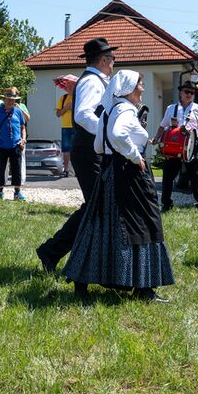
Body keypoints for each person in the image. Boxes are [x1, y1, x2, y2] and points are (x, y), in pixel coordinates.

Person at [63, 70, 175, 301]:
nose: (142, 89)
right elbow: (117, 134)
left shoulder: (108, 110)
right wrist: (135, 156)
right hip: (128, 174)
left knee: (100, 227)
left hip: (110, 172)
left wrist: (115, 155)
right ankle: (144, 288)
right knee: (143, 224)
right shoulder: (125, 109)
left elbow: (98, 145)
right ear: (129, 88)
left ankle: (82, 281)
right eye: (140, 84)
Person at [36, 38, 116, 273]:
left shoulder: (95, 80)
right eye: (112, 59)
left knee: (96, 205)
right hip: (89, 150)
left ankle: (54, 251)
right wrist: (107, 131)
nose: (114, 63)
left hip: (92, 148)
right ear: (104, 60)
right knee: (97, 205)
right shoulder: (92, 82)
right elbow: (82, 115)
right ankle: (54, 252)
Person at [155, 82, 198, 212]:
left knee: (196, 176)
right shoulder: (171, 108)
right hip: (174, 146)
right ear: (180, 92)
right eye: (187, 92)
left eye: (192, 93)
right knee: (168, 176)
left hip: (192, 146)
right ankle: (166, 204)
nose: (189, 94)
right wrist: (156, 138)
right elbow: (163, 126)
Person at [0, 87, 27, 200]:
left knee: (17, 169)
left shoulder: (18, 112)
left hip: (16, 145)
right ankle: (0, 192)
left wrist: (23, 139)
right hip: (2, 145)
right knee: (1, 169)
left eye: (13, 100)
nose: (11, 102)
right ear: (4, 100)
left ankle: (17, 192)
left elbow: (23, 127)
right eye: (8, 99)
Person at [54, 74, 78, 177]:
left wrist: (74, 108)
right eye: (68, 85)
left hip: (77, 127)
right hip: (65, 127)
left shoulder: (79, 97)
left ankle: (77, 170)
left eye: (72, 85)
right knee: (66, 149)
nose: (69, 87)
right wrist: (67, 107)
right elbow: (58, 114)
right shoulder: (63, 98)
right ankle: (66, 169)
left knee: (77, 149)